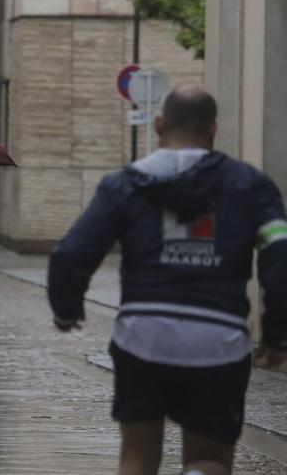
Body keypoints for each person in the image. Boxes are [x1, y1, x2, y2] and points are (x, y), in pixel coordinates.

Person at [47, 86, 287, 475]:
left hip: (143, 336)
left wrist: (66, 311)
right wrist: (278, 335)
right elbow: (279, 258)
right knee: (210, 459)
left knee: (138, 458)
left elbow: (70, 255)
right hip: (218, 340)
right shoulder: (250, 186)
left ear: (158, 125)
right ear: (212, 130)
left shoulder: (122, 185)